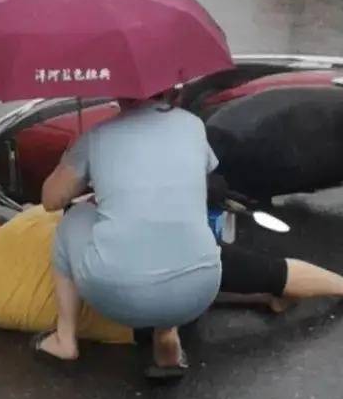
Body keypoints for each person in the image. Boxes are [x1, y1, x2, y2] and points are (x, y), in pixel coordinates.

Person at [0, 194, 343, 368]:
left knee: (175, 287)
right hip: (163, 284)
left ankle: (265, 299)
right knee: (229, 264)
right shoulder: (26, 226)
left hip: (131, 332)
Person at [37, 90, 222, 374]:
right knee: (170, 222)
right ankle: (166, 337)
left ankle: (64, 338)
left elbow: (51, 199)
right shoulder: (193, 125)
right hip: (202, 287)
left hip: (122, 294)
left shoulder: (98, 136)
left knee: (74, 219)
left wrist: (75, 156)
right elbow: (193, 179)